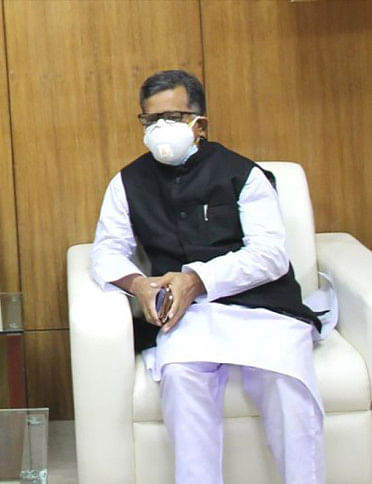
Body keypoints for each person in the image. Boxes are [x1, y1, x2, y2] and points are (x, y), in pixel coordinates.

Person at [90, 70, 324, 483]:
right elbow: (107, 251)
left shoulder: (243, 174)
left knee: (285, 382)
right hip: (190, 315)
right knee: (181, 378)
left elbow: (270, 255)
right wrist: (138, 285)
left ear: (200, 123)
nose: (161, 128)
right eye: (151, 119)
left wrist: (196, 278)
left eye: (173, 117)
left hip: (264, 307)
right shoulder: (126, 182)